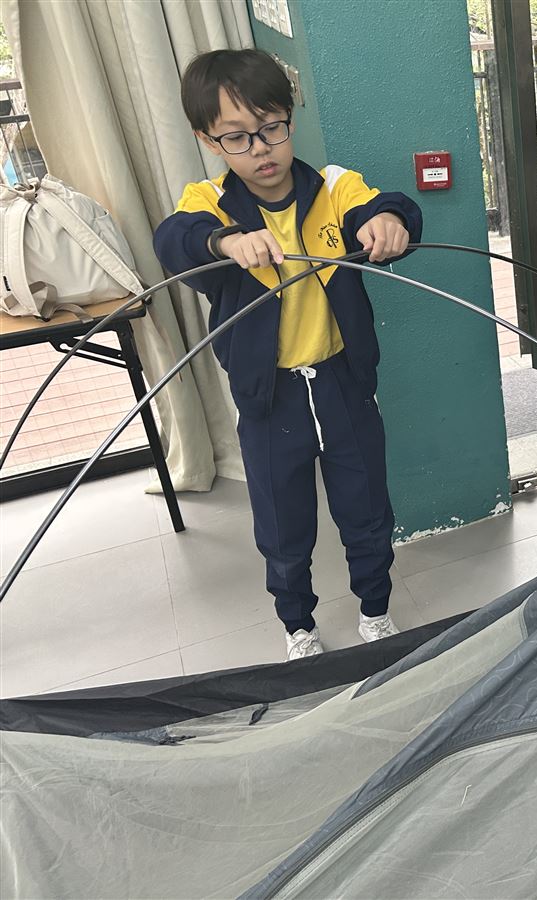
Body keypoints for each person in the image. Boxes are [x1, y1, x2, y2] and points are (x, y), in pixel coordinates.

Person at [154, 49, 423, 661]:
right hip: (269, 396)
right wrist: (224, 241)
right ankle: (297, 626)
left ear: (288, 119)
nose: (261, 149)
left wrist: (389, 221)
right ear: (207, 140)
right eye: (237, 138)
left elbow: (387, 206)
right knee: (282, 524)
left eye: (271, 127)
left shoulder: (332, 187)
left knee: (366, 508)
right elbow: (173, 239)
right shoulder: (209, 202)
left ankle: (376, 612)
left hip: (342, 383)